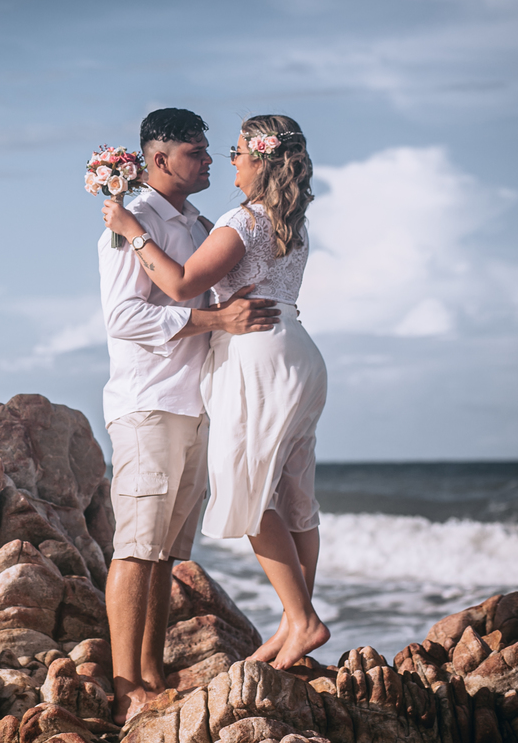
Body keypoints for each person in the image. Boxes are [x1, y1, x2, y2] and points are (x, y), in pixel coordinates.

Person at [102, 114, 330, 672]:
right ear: (160, 160)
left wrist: (136, 234)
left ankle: (300, 621)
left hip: (254, 359)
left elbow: (182, 286)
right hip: (279, 353)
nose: (219, 161)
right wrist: (212, 318)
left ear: (259, 159)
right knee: (289, 495)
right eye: (202, 152)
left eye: (229, 152)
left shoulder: (225, 222)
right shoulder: (283, 222)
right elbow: (125, 315)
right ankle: (291, 621)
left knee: (248, 491)